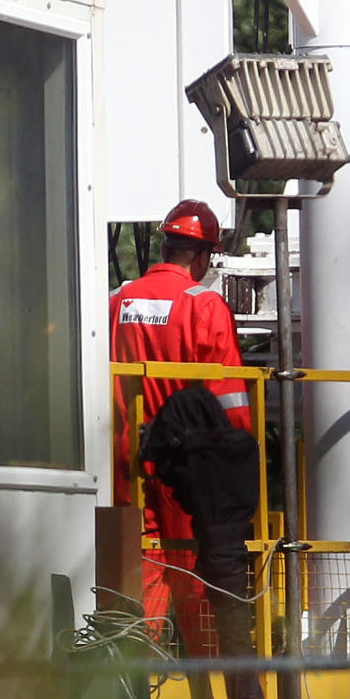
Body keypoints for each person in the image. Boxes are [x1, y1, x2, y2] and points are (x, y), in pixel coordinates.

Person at [109, 198, 252, 656]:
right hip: (186, 464)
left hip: (123, 460)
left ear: (166, 244)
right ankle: (209, 670)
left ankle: (138, 670)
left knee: (140, 562)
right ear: (204, 254)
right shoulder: (203, 307)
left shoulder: (118, 300)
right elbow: (229, 402)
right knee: (193, 569)